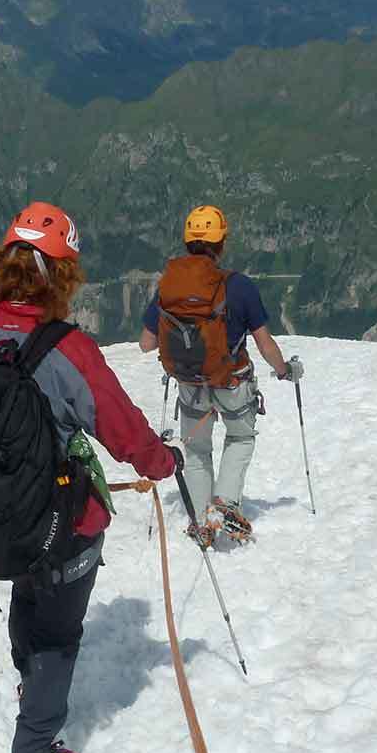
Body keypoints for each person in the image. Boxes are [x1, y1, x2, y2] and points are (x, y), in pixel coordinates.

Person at [0, 201, 178, 753]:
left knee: (28, 599)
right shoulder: (66, 349)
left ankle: (29, 684)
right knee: (58, 633)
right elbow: (123, 432)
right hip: (61, 526)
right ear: (60, 276)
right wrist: (162, 463)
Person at [139, 204, 302, 544]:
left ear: (187, 242)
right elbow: (264, 343)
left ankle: (201, 522)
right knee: (240, 438)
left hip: (189, 383)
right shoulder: (238, 286)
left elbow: (145, 343)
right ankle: (225, 504)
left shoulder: (169, 285)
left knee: (196, 450)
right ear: (221, 243)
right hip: (232, 380)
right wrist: (285, 371)